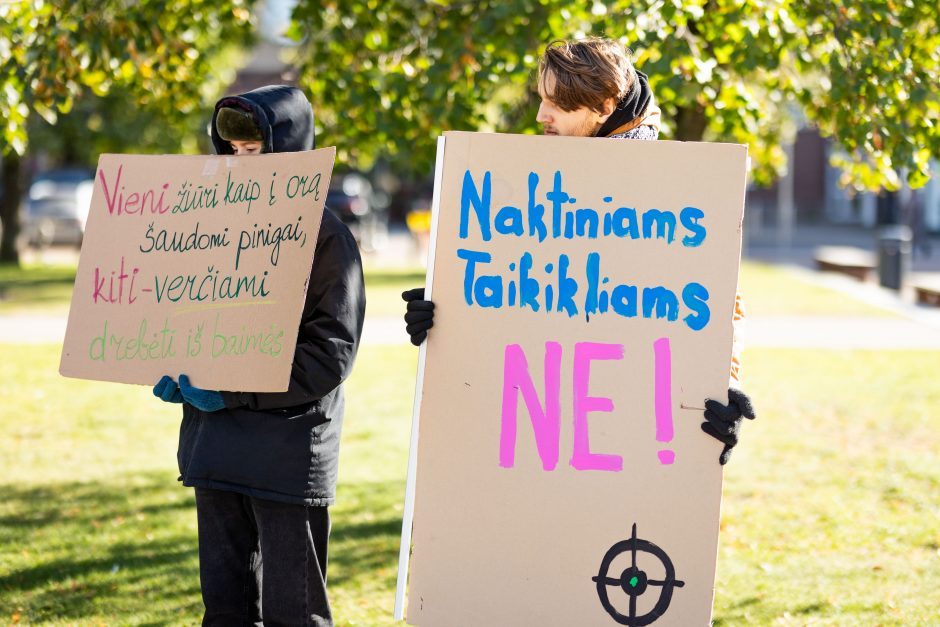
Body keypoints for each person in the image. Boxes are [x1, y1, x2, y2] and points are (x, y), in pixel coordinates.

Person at [403, 38, 755, 462]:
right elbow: (516, 297)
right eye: (541, 99)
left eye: (557, 103)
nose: (540, 115)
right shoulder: (532, 185)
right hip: (540, 439)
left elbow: (716, 306)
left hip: (634, 439)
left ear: (605, 106)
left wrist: (723, 385)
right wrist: (450, 315)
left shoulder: (672, 194)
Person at [152, 84, 366, 626]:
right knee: (225, 609)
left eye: (258, 150)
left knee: (294, 613)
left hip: (287, 454)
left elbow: (329, 355)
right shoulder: (209, 228)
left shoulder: (326, 237)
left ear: (290, 152)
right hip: (215, 447)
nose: (245, 164)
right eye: (236, 152)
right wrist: (171, 365)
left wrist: (232, 390)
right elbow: (185, 318)